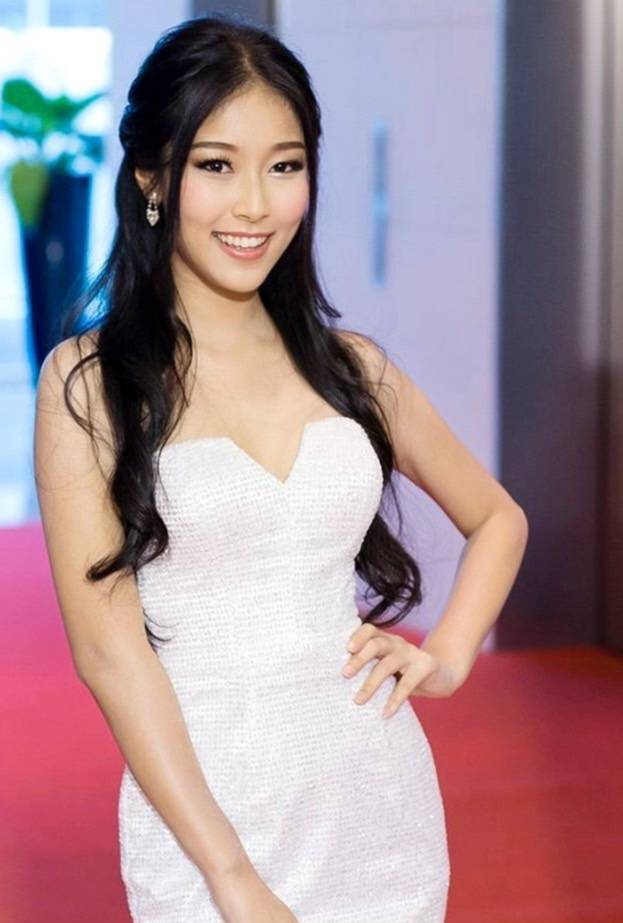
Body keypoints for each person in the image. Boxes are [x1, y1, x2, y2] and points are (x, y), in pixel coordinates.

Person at [33, 13, 528, 923]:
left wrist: (448, 657)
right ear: (151, 177)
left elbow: (497, 517)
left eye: (285, 165)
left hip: (375, 802)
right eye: (216, 165)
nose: (256, 205)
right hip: (206, 820)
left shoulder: (352, 368)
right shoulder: (89, 383)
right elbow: (108, 654)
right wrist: (230, 874)